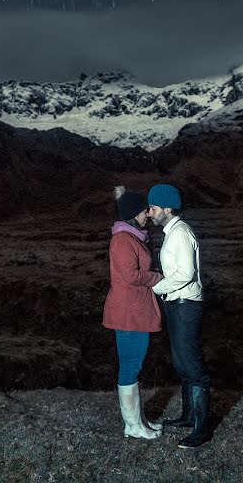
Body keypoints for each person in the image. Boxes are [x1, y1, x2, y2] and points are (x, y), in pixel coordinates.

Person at [147, 183, 212, 449]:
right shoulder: (172, 232)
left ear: (167, 208)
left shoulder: (181, 234)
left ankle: (201, 428)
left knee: (193, 367)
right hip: (178, 305)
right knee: (183, 364)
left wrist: (156, 287)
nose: (149, 212)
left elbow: (186, 273)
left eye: (153, 207)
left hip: (185, 305)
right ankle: (188, 417)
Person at [102, 185, 164, 440]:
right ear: (132, 214)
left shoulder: (131, 237)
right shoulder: (123, 240)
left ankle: (138, 421)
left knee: (134, 365)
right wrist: (158, 277)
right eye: (142, 211)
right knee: (130, 366)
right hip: (129, 313)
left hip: (134, 310)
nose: (147, 214)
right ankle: (132, 425)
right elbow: (131, 275)